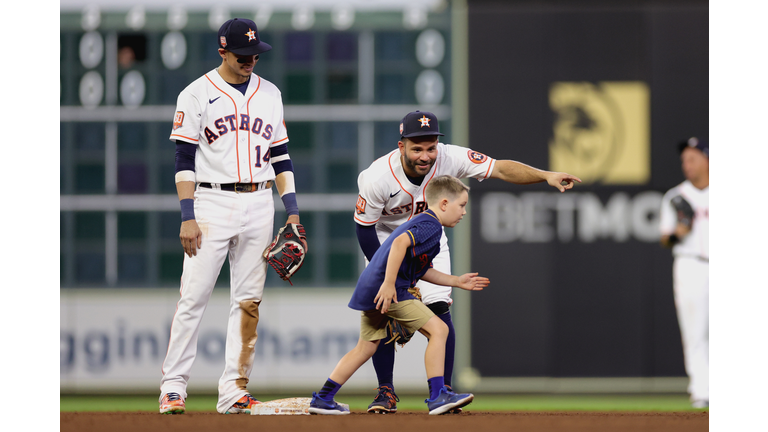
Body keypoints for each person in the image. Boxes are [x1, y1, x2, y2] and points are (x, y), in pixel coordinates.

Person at [354, 110, 582, 413]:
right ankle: (385, 393)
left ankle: (443, 393)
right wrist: (393, 281)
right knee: (383, 310)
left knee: (439, 310)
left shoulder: (449, 158)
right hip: (385, 239)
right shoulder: (378, 177)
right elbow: (364, 229)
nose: (426, 155)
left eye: (431, 147)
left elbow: (500, 168)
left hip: (428, 237)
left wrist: (546, 175)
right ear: (401, 146)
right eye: (417, 148)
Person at [158, 18, 303, 415]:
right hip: (211, 202)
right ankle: (173, 387)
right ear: (222, 51)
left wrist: (292, 212)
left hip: (259, 202)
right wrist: (187, 215)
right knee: (194, 296)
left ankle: (234, 391)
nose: (250, 60)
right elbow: (183, 158)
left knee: (249, 301)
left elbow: (282, 156)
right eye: (242, 54)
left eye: (256, 54)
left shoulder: (270, 93)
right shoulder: (197, 94)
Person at [309, 175, 490, 415]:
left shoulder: (425, 224)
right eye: (462, 205)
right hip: (388, 290)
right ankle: (438, 395)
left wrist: (456, 281)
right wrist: (389, 284)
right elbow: (399, 244)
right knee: (440, 329)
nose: (464, 211)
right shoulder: (430, 224)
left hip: (372, 288)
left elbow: (423, 269)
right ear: (444, 204)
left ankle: (323, 397)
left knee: (366, 348)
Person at [659, 137, 709, 409]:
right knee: (694, 330)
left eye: (692, 159)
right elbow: (664, 238)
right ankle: (701, 391)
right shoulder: (676, 196)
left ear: (707, 159)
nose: (686, 165)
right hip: (690, 264)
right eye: (684, 161)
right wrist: (677, 234)